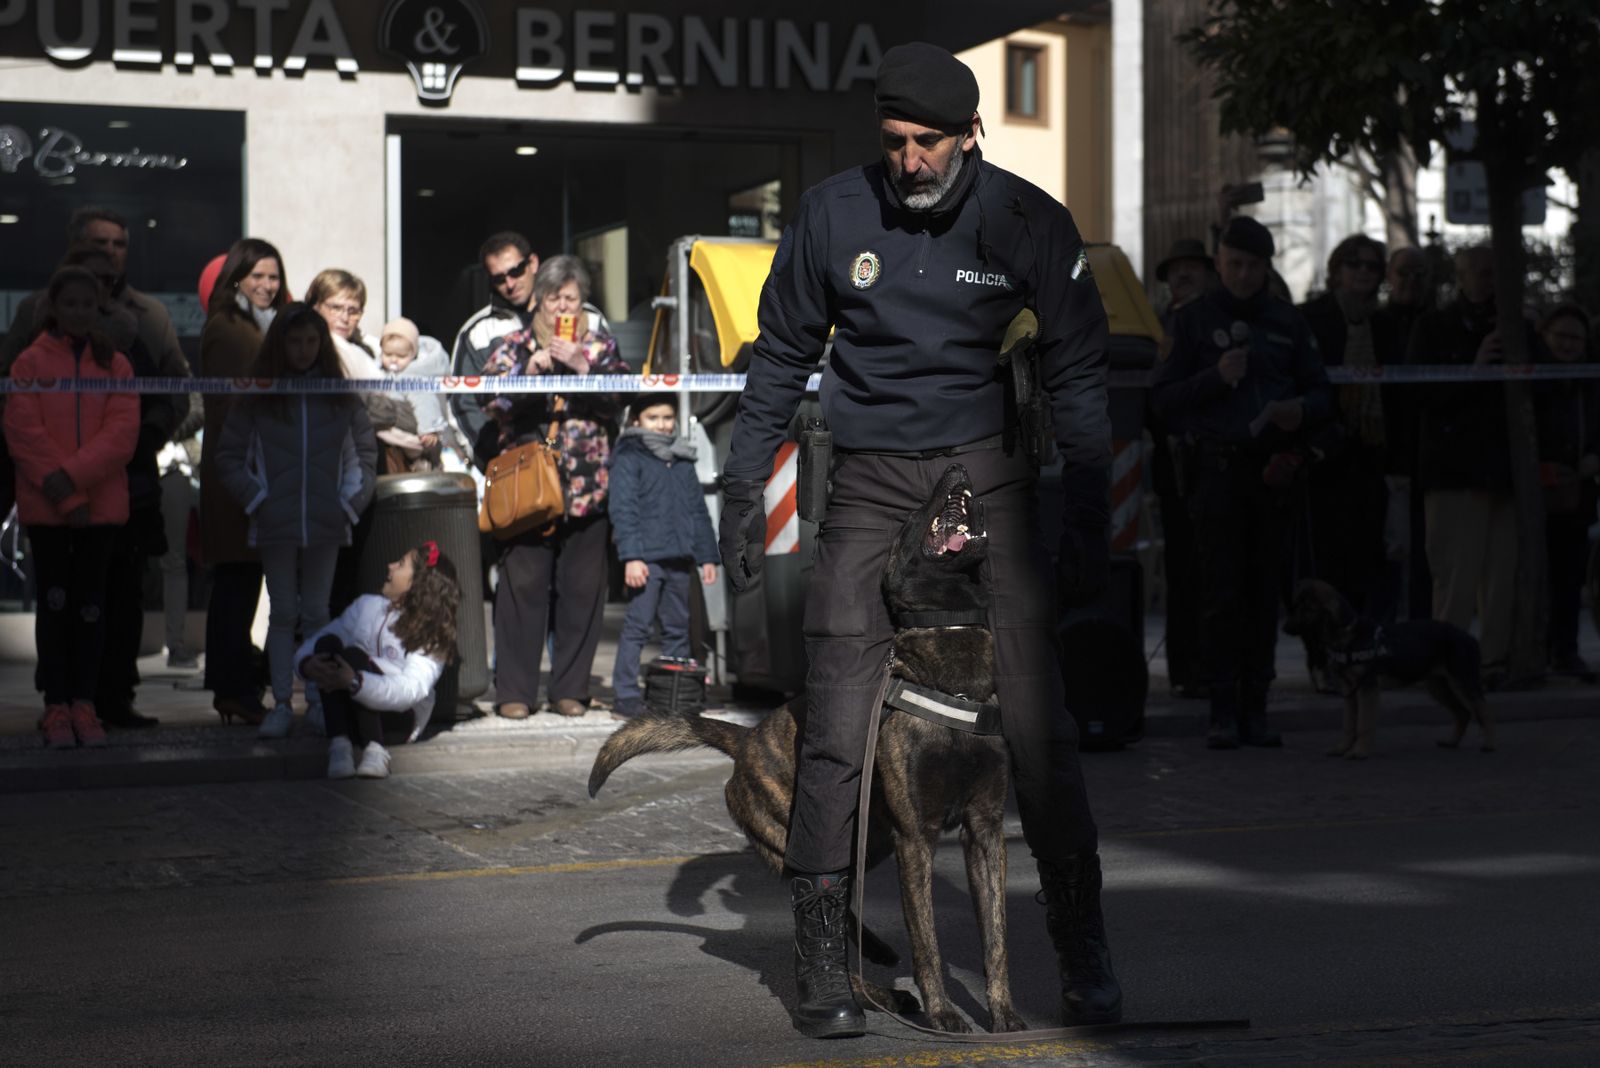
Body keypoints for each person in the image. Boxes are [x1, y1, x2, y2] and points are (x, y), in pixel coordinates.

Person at [717, 43, 1121, 1038]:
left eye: (927, 142)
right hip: (868, 478)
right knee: (838, 724)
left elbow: (1075, 368)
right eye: (893, 142)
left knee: (1037, 728)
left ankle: (1083, 954)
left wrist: (1085, 517)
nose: (908, 160)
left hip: (985, 473)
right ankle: (821, 959)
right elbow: (778, 358)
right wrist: (739, 493)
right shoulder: (832, 215)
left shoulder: (1026, 218)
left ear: (970, 133)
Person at [1150, 215, 1332, 749]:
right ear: (1220, 263)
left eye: (1253, 266)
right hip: (1216, 471)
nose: (1243, 275)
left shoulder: (1286, 322)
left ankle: (1258, 707)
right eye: (1234, 264)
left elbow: (1322, 391)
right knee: (1220, 592)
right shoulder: (1191, 322)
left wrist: (1299, 409)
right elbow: (1162, 399)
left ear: (1266, 267)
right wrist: (1214, 378)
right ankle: (1223, 709)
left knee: (1261, 593)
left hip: (1271, 474)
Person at [214, 304, 378, 740]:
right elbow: (229, 457)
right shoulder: (258, 395)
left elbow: (363, 455)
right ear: (279, 345)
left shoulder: (340, 396)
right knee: (283, 612)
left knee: (318, 613)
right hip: (276, 520)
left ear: (322, 345)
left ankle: (320, 703)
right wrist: (258, 500)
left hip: (326, 521)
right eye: (294, 340)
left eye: (311, 341)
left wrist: (346, 507)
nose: (303, 350)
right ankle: (283, 703)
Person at [477, 255, 629, 719]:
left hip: (587, 485)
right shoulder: (514, 345)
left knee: (582, 590)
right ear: (538, 301)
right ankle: (515, 693)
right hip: (529, 486)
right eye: (553, 298)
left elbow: (622, 397)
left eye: (572, 298)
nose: (562, 306)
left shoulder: (599, 346)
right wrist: (532, 372)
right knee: (522, 587)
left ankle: (570, 690)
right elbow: (489, 400)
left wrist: (584, 368)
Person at [4, 267, 138, 748]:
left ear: (98, 308)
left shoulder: (116, 365)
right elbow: (23, 431)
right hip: (50, 510)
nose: (79, 312)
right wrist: (65, 493)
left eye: (88, 304)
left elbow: (121, 435)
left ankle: (85, 702)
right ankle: (55, 705)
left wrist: (75, 481)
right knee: (55, 606)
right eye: (71, 304)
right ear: (54, 309)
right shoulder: (29, 364)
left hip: (99, 511)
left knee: (91, 607)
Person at [1405, 247, 1520, 688]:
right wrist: (1474, 370)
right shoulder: (1434, 327)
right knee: (1454, 573)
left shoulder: (1515, 326)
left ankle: (1494, 661)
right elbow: (1421, 397)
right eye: (1480, 273)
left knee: (1500, 575)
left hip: (1503, 473)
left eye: (1496, 274)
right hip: (1453, 472)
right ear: (1461, 276)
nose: (1488, 282)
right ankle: (1446, 663)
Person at [199, 238, 288, 726]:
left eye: (273, 276)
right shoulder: (232, 330)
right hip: (239, 473)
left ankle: (238, 683)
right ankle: (233, 687)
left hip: (259, 471)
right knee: (236, 582)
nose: (267, 285)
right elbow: (236, 407)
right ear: (236, 278)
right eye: (257, 276)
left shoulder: (260, 326)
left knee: (245, 581)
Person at [298, 541, 461, 780]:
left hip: (398, 721)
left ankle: (376, 751)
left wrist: (356, 682)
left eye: (401, 564)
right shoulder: (366, 606)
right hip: (353, 712)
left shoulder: (430, 630)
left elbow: (412, 689)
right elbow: (317, 641)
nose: (390, 566)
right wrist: (307, 664)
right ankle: (340, 745)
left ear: (417, 584)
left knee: (353, 656)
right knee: (327, 645)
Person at [448, 232, 611, 466]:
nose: (510, 284)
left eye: (515, 271)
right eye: (499, 279)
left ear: (532, 263)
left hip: (588, 464)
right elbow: (466, 402)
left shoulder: (590, 320)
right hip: (518, 468)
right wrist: (494, 459)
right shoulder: (480, 331)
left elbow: (619, 388)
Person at [607, 394, 719, 719]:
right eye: (654, 417)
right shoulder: (629, 455)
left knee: (677, 627)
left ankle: (674, 692)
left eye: (668, 417)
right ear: (637, 421)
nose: (662, 424)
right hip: (646, 559)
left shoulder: (682, 458)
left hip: (679, 557)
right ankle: (625, 696)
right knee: (638, 626)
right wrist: (631, 557)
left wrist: (706, 556)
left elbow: (698, 511)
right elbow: (623, 509)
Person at [1298, 234, 1393, 618]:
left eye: (1372, 266)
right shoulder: (1310, 317)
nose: (1364, 273)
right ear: (1336, 270)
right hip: (1323, 454)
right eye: (1355, 264)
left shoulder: (1385, 324)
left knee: (1369, 557)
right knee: (1324, 559)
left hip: (1371, 454)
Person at [1150, 238, 1215, 697]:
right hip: (1172, 461)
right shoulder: (1158, 325)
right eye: (1177, 269)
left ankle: (1210, 664)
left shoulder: (1216, 321)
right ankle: (1185, 669)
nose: (1183, 275)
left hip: (1210, 457)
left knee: (1213, 567)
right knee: (1182, 567)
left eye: (1192, 267)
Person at [1534, 303, 1599, 681]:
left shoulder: (1588, 382)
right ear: (1544, 336)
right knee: (1534, 573)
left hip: (1577, 493)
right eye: (1562, 336)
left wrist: (1594, 457)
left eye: (1577, 338)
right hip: (1534, 492)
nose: (1570, 345)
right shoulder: (1533, 379)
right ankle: (1534, 650)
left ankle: (1565, 651)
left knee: (1569, 578)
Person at [1372, 246, 1435, 621]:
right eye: (1404, 273)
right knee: (1391, 553)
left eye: (1420, 274)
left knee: (1428, 555)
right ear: (1390, 278)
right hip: (1390, 451)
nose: (1412, 281)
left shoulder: (1436, 323)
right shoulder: (1378, 325)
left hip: (1430, 455)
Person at [378, 316, 454, 467]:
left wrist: (429, 429)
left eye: (401, 356)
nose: (393, 360)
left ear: (413, 355)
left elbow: (426, 402)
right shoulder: (379, 371)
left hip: (415, 437)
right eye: (388, 354)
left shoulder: (413, 377)